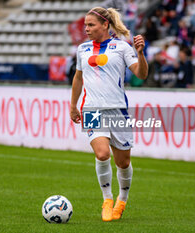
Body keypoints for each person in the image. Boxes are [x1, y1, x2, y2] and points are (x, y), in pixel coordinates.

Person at [69, 7, 148, 222]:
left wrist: (140, 54)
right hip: (92, 110)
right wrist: (73, 105)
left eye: (91, 24)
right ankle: (107, 199)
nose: (86, 29)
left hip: (117, 111)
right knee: (102, 154)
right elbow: (78, 78)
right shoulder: (83, 49)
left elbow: (141, 73)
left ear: (105, 25)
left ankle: (122, 199)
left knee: (123, 162)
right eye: (85, 25)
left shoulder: (122, 47)